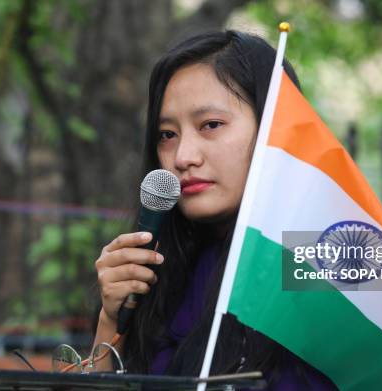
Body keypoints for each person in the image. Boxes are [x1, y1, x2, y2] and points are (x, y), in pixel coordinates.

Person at [91, 29, 339, 389]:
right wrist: (111, 322)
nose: (183, 157)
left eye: (211, 125)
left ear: (275, 129)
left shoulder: (337, 257)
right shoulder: (160, 270)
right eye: (166, 134)